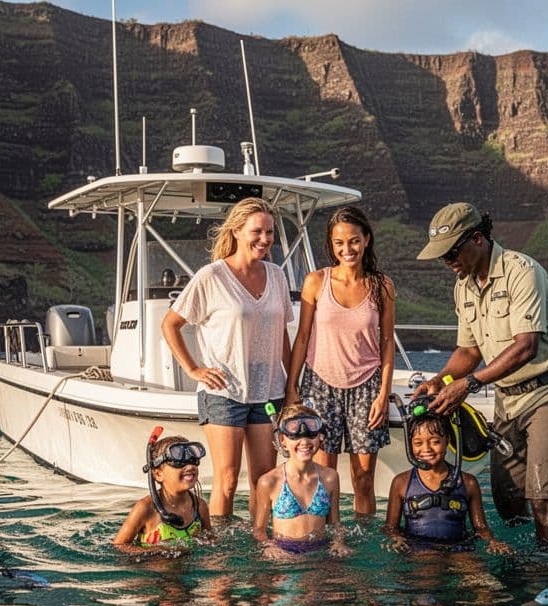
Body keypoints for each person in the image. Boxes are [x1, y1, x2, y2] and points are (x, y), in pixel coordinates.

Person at [411, 202, 548, 551]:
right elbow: (469, 352)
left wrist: (469, 385)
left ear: (478, 238)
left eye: (451, 252)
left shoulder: (522, 271)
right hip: (507, 399)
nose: (447, 262)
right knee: (507, 500)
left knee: (543, 498)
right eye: (442, 256)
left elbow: (526, 346)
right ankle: (519, 568)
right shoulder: (463, 287)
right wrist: (440, 379)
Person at [161, 198, 292, 522]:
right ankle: (220, 552)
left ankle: (259, 543)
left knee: (265, 480)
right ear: (236, 231)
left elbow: (283, 335)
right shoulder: (212, 276)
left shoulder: (277, 276)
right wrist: (193, 368)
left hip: (269, 390)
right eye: (256, 231)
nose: (264, 239)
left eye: (270, 232)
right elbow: (170, 324)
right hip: (224, 392)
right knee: (228, 480)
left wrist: (292, 385)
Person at [286, 205, 395, 517]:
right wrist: (292, 388)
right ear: (331, 245)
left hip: (367, 386)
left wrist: (383, 394)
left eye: (354, 241)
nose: (347, 249)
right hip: (321, 385)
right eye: (339, 243)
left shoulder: (382, 285)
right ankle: (327, 538)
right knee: (323, 476)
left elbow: (387, 342)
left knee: (363, 478)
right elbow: (303, 337)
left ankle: (363, 545)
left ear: (367, 240)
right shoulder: (315, 282)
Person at [383, 411, 511, 554]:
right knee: (429, 567)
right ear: (410, 445)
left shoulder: (468, 483)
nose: (426, 449)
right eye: (418, 443)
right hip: (419, 550)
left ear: (448, 441)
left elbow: (480, 528)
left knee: (481, 576)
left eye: (435, 442)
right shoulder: (401, 482)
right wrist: (396, 538)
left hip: (459, 548)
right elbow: (390, 527)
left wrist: (492, 541)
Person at [251, 404, 351, 556]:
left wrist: (338, 542)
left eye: (311, 435)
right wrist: (269, 547)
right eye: (296, 436)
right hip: (284, 554)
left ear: (320, 436)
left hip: (320, 552)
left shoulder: (330, 478)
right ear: (282, 440)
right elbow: (259, 530)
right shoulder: (269, 482)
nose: (304, 442)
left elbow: (335, 523)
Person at [113, 435, 212, 553]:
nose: (190, 466)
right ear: (158, 474)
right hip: (154, 569)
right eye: (179, 463)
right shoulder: (145, 508)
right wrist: (154, 552)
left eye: (192, 461)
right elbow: (119, 545)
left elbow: (210, 539)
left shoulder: (199, 506)